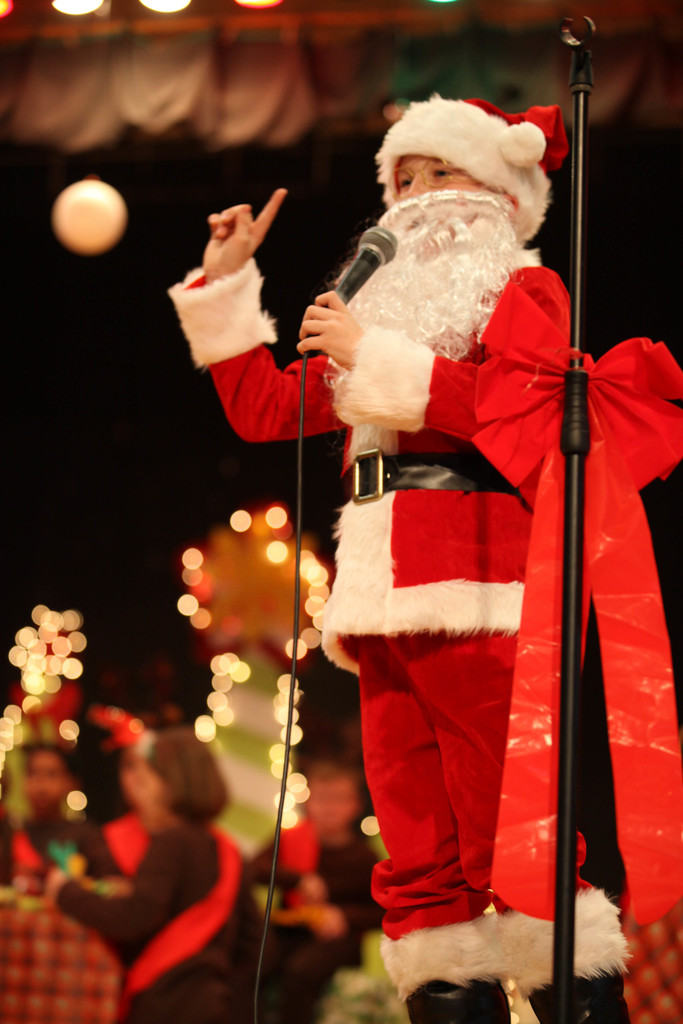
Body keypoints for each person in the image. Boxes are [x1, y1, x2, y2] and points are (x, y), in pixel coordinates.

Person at [168, 96, 630, 1023]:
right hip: (378, 603)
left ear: (498, 193)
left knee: (515, 834)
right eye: (401, 179)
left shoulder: (523, 290)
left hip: (481, 589)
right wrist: (227, 283)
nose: (413, 200)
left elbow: (526, 413)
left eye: (438, 175)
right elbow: (263, 408)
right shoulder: (369, 322)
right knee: (417, 848)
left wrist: (376, 355)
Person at [46, 725, 262, 1024]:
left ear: (171, 784)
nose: (137, 788)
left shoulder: (169, 840)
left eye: (146, 779)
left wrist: (64, 892)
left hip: (165, 1000)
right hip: (210, 1000)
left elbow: (135, 916)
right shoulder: (223, 848)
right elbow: (254, 943)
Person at [250, 760, 383, 1024]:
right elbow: (255, 868)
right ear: (309, 802)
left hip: (335, 940)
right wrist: (298, 880)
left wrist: (345, 917)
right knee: (254, 963)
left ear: (355, 805)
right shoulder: (292, 839)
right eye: (322, 798)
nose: (329, 807)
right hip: (289, 928)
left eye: (338, 799)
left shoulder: (364, 857)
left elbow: (382, 910)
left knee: (301, 972)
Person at [8, 743, 116, 893]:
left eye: (51, 774)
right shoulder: (11, 832)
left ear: (71, 783)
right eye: (32, 773)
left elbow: (110, 884)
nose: (41, 784)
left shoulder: (86, 835)